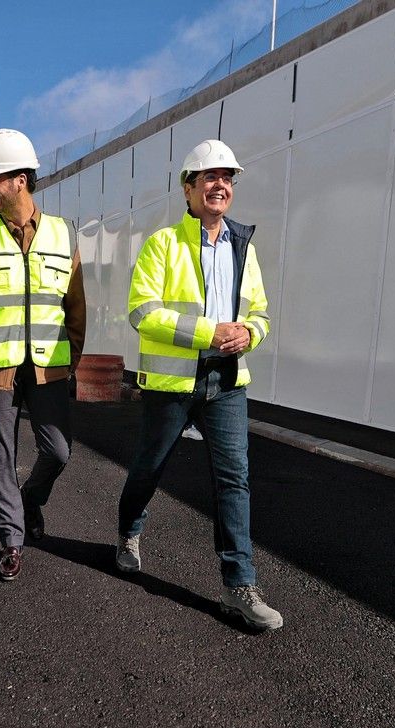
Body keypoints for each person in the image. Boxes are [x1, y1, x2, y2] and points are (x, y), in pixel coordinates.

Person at [115, 139, 283, 631]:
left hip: (226, 383)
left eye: (227, 178)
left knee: (234, 480)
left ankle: (240, 584)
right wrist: (210, 332)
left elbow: (261, 313)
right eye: (209, 177)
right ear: (188, 188)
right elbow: (141, 312)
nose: (220, 185)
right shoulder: (163, 244)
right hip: (171, 385)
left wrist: (250, 333)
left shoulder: (243, 247)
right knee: (149, 468)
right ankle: (129, 532)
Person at [0, 129, 86, 581]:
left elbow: (76, 307)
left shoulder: (64, 234)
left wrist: (74, 361)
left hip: (50, 367)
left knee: (60, 451)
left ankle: (31, 499)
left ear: (21, 181)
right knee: (0, 455)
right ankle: (12, 539)